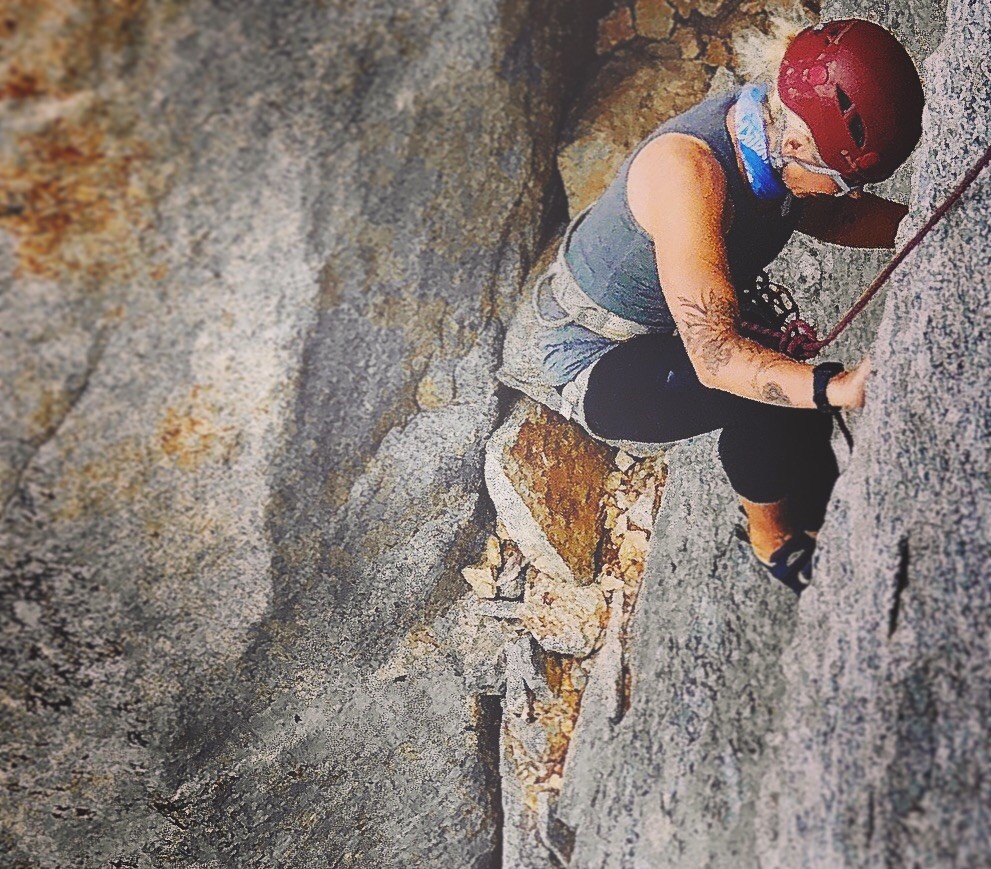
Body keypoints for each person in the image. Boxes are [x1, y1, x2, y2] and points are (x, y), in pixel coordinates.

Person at [496, 18, 925, 593]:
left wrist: (917, 226)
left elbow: (830, 211)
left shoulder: (773, 135)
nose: (845, 193)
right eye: (843, 180)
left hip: (654, 314)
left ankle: (804, 491)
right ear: (796, 145)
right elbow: (717, 360)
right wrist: (834, 389)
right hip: (591, 354)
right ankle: (775, 543)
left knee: (784, 391)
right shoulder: (690, 174)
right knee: (765, 400)